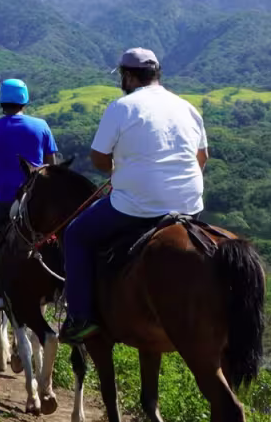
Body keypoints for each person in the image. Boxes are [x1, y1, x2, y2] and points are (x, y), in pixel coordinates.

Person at [59, 48, 208, 343]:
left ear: (128, 76)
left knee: (75, 234)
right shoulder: (188, 106)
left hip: (136, 204)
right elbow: (201, 158)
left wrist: (120, 170)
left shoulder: (121, 107)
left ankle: (79, 317)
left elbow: (100, 158)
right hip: (190, 204)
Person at [0, 78, 60, 313]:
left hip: (5, 202)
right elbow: (52, 167)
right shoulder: (41, 126)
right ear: (25, 100)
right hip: (38, 205)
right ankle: (64, 289)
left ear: (1, 102)